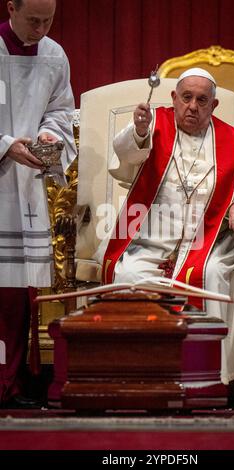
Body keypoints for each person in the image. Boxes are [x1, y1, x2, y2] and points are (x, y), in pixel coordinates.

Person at [94, 67, 234, 386]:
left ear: (213, 106)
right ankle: (140, 373)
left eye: (202, 100)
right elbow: (124, 160)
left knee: (213, 274)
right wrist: (139, 132)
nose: (193, 106)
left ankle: (208, 378)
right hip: (150, 242)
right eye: (186, 97)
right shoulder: (154, 125)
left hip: (210, 245)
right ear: (173, 98)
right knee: (129, 275)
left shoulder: (233, 140)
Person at [0, 0, 76, 408]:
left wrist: (50, 136)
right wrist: (6, 144)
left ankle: (10, 383)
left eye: (49, 20)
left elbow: (61, 111)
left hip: (25, 186)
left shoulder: (53, 55)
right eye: (34, 20)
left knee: (17, 294)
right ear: (10, 7)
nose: (41, 29)